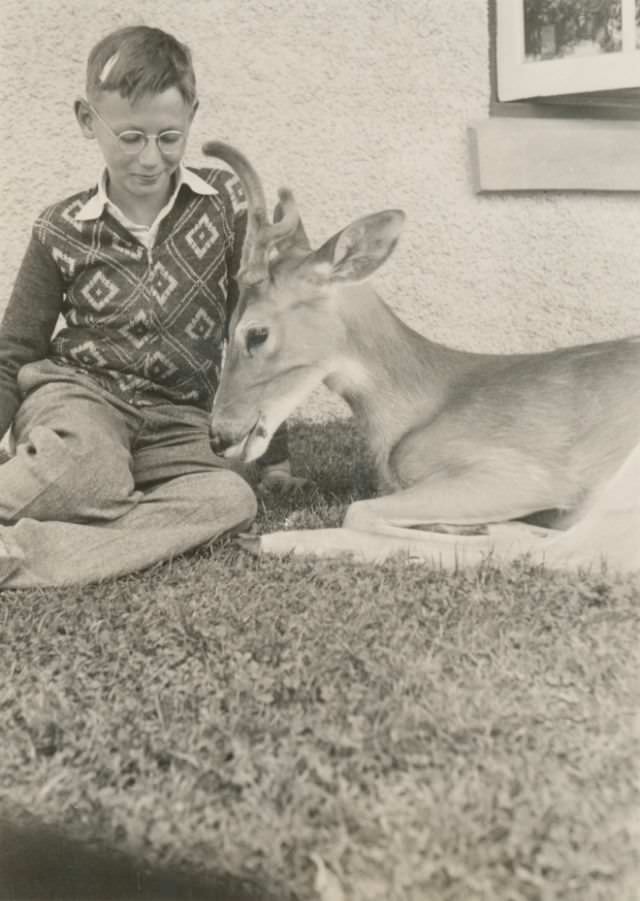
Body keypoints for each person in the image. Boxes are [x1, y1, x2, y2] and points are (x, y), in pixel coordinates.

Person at [0, 25, 302, 588]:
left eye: (169, 138)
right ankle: (66, 480)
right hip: (83, 403)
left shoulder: (225, 206)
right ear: (88, 120)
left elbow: (254, 332)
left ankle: (23, 552)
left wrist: (274, 457)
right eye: (130, 137)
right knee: (84, 468)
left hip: (179, 422)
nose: (149, 158)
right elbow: (12, 351)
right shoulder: (60, 228)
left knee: (229, 497)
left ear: (192, 114)